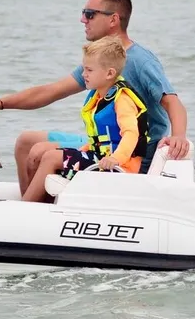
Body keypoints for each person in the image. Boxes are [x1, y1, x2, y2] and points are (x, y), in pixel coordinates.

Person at [0, 0, 189, 196]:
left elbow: (172, 102)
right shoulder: (100, 60)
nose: (82, 19)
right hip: (102, 142)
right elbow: (50, 91)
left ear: (113, 19)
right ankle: (34, 208)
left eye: (90, 14)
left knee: (41, 152)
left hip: (130, 152)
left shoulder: (141, 61)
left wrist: (178, 136)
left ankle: (32, 210)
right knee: (26, 142)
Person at [21, 36, 149, 202]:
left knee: (51, 157)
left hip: (118, 167)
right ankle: (40, 205)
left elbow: (131, 134)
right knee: (41, 154)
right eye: (84, 69)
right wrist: (85, 148)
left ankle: (27, 206)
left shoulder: (122, 99)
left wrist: (115, 158)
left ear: (109, 73)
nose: (84, 74)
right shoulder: (99, 96)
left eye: (89, 70)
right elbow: (102, 138)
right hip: (100, 158)